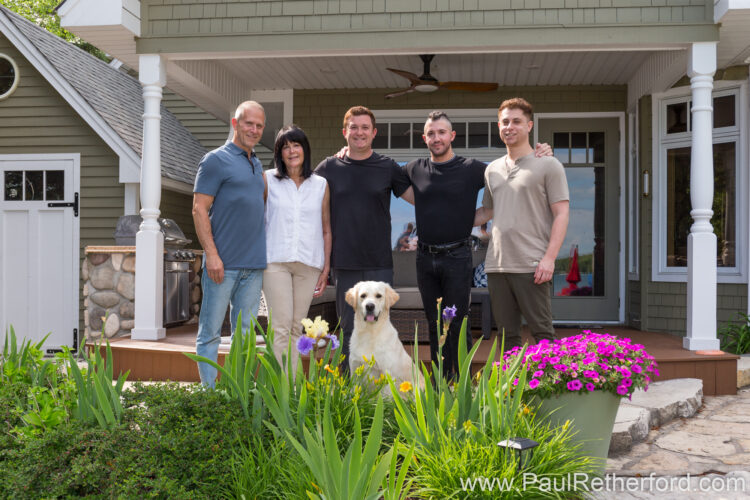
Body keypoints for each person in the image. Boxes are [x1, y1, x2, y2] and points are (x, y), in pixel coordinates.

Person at [404, 111, 552, 378]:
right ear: (424, 138)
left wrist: (539, 151)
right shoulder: (414, 168)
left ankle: (461, 386)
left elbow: (509, 174)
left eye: (441, 132)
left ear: (452, 136)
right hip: (425, 258)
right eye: (431, 133)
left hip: (457, 256)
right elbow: (385, 176)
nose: (436, 138)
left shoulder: (473, 169)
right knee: (435, 324)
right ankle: (440, 386)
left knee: (459, 325)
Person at [314, 106, 412, 368]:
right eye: (354, 127)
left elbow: (418, 196)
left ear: (374, 132)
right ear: (345, 132)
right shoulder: (329, 167)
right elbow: (304, 199)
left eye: (365, 127)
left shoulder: (387, 167)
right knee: (348, 328)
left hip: (378, 260)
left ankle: (384, 388)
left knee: (380, 325)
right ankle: (349, 393)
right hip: (344, 261)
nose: (359, 132)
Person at [475, 97, 570, 350]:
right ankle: (511, 389)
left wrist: (549, 258)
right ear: (498, 126)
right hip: (496, 266)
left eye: (516, 121)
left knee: (543, 334)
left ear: (529, 125)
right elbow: (487, 211)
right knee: (507, 337)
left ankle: (551, 390)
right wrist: (445, 219)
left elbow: (562, 213)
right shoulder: (492, 169)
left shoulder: (548, 165)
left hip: (532, 264)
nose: (510, 127)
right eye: (505, 122)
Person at [193, 101, 268, 388]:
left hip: (253, 266)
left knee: (246, 334)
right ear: (235, 124)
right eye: (249, 123)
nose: (254, 130)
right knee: (211, 331)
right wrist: (211, 255)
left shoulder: (256, 163)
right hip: (222, 265)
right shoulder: (215, 160)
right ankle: (209, 395)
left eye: (259, 126)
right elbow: (199, 209)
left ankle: (239, 390)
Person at [263, 125, 331, 372]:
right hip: (275, 262)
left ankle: (289, 391)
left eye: (296, 145)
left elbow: (326, 229)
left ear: (305, 149)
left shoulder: (321, 184)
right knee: (280, 327)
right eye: (285, 146)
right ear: (279, 153)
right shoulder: (267, 179)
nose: (291, 151)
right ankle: (283, 389)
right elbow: (257, 221)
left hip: (308, 264)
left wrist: (325, 269)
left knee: (295, 327)